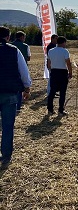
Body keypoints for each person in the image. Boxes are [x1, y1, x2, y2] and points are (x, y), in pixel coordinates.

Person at [0, 26, 32, 166]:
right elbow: (23, 71)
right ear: (8, 37)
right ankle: (6, 155)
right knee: (7, 125)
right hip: (10, 92)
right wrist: (26, 87)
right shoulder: (14, 50)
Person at [47, 36, 72, 116]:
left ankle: (50, 109)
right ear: (64, 42)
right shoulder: (65, 51)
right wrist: (70, 73)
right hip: (62, 72)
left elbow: (48, 63)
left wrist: (51, 71)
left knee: (52, 92)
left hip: (54, 72)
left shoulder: (51, 51)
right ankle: (60, 110)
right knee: (62, 92)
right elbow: (68, 63)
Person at [11, 31, 31, 112]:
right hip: (21, 67)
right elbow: (29, 58)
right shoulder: (26, 46)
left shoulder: (10, 45)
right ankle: (18, 106)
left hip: (10, 69)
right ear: (22, 37)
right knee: (19, 87)